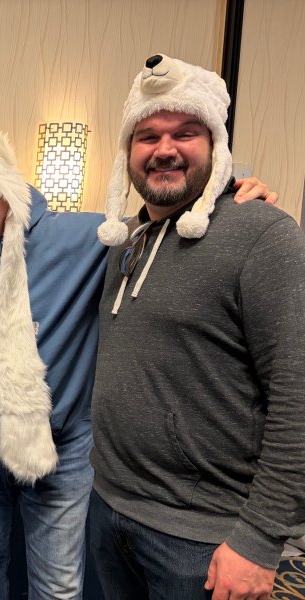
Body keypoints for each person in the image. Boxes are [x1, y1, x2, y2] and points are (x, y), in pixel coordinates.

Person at [0, 129, 275, 598]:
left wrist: (224, 202)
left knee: (57, 582)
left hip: (62, 447)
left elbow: (162, 232)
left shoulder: (78, 237)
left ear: (5, 185)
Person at [90, 54, 305, 600]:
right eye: (147, 136)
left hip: (205, 539)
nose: (164, 149)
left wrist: (260, 539)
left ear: (215, 145)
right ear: (128, 151)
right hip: (108, 508)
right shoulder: (124, 241)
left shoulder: (263, 236)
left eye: (185, 132)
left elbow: (297, 394)